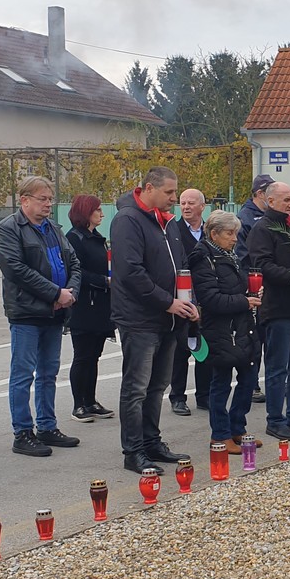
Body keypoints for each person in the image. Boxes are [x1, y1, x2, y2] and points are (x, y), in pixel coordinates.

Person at [110, 166, 196, 469]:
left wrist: (189, 302)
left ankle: (152, 442)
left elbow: (182, 266)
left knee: (157, 386)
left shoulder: (167, 222)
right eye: (169, 192)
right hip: (140, 319)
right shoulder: (128, 220)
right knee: (136, 388)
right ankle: (133, 451)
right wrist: (167, 302)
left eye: (175, 192)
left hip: (169, 318)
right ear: (148, 188)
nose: (174, 198)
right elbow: (131, 272)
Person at [0, 175, 82, 457]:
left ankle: (47, 426)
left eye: (50, 199)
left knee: (48, 373)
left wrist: (70, 293)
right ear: (24, 200)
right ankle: (22, 432)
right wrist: (55, 294)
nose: (48, 204)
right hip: (27, 313)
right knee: (23, 375)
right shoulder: (9, 229)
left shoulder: (53, 228)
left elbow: (74, 263)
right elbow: (16, 270)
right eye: (42, 199)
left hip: (55, 313)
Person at [245, 180, 290, 442]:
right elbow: (262, 265)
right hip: (277, 307)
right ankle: (275, 419)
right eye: (286, 200)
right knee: (278, 367)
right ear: (270, 200)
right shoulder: (262, 229)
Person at [189, 210, 261, 450]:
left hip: (241, 326)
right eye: (230, 233)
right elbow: (210, 299)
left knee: (249, 377)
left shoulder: (229, 254)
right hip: (220, 329)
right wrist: (244, 301)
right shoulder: (203, 258)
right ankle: (220, 434)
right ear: (214, 234)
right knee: (221, 383)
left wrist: (251, 293)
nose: (234, 239)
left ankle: (237, 427)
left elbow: (234, 287)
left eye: (235, 233)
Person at [65, 194, 115, 423]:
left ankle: (91, 400)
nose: (101, 214)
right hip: (84, 305)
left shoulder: (96, 238)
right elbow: (77, 271)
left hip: (101, 304)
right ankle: (78, 404)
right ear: (86, 212)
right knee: (83, 355)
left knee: (94, 355)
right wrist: (103, 281)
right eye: (97, 210)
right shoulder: (74, 238)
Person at [169, 188, 209, 416]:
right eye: (182, 203)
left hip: (207, 296)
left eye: (191, 203)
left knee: (205, 348)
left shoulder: (210, 231)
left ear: (202, 206)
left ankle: (204, 395)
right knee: (180, 350)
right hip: (182, 297)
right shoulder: (173, 230)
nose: (185, 207)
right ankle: (177, 397)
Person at [236, 173, 275, 403]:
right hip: (255, 287)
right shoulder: (246, 218)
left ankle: (269, 382)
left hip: (271, 288)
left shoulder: (271, 217)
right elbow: (244, 257)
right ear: (260, 194)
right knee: (254, 339)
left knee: (269, 340)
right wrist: (252, 286)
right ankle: (251, 384)